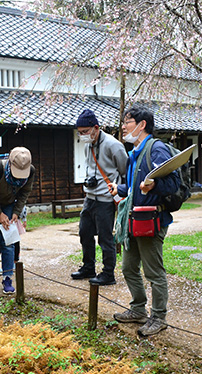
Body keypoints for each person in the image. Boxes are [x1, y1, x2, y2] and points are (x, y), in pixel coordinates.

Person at [108, 106, 179, 337]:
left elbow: (173, 184)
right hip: (133, 221)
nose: (124, 126)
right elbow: (132, 187)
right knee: (129, 267)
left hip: (151, 221)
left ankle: (159, 317)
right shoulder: (135, 152)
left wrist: (155, 186)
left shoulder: (156, 149)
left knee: (154, 272)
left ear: (142, 124)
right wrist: (119, 189)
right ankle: (138, 309)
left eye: (127, 121)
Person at [70, 109, 128, 286]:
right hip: (90, 196)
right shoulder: (88, 145)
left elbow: (125, 170)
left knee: (105, 237)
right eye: (80, 133)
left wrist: (119, 192)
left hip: (106, 198)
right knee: (84, 232)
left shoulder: (113, 144)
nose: (83, 136)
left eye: (85, 132)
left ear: (96, 128)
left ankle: (108, 273)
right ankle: (88, 267)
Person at [0, 147, 34, 294]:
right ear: (10, 163)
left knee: (9, 240)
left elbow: (24, 193)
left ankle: (7, 277)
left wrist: (16, 212)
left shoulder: (31, 172)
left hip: (8, 203)